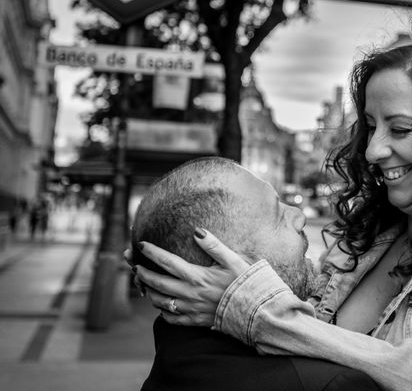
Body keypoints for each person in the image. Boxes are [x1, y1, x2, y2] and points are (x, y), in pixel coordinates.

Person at [133, 19, 412, 391]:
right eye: (371, 126)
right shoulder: (367, 239)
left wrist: (259, 314)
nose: (374, 150)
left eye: (399, 128)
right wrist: (172, 255)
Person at [130, 157, 380, 391]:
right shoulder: (331, 384)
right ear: (225, 260)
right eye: (277, 215)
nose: (300, 216)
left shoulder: (173, 360)